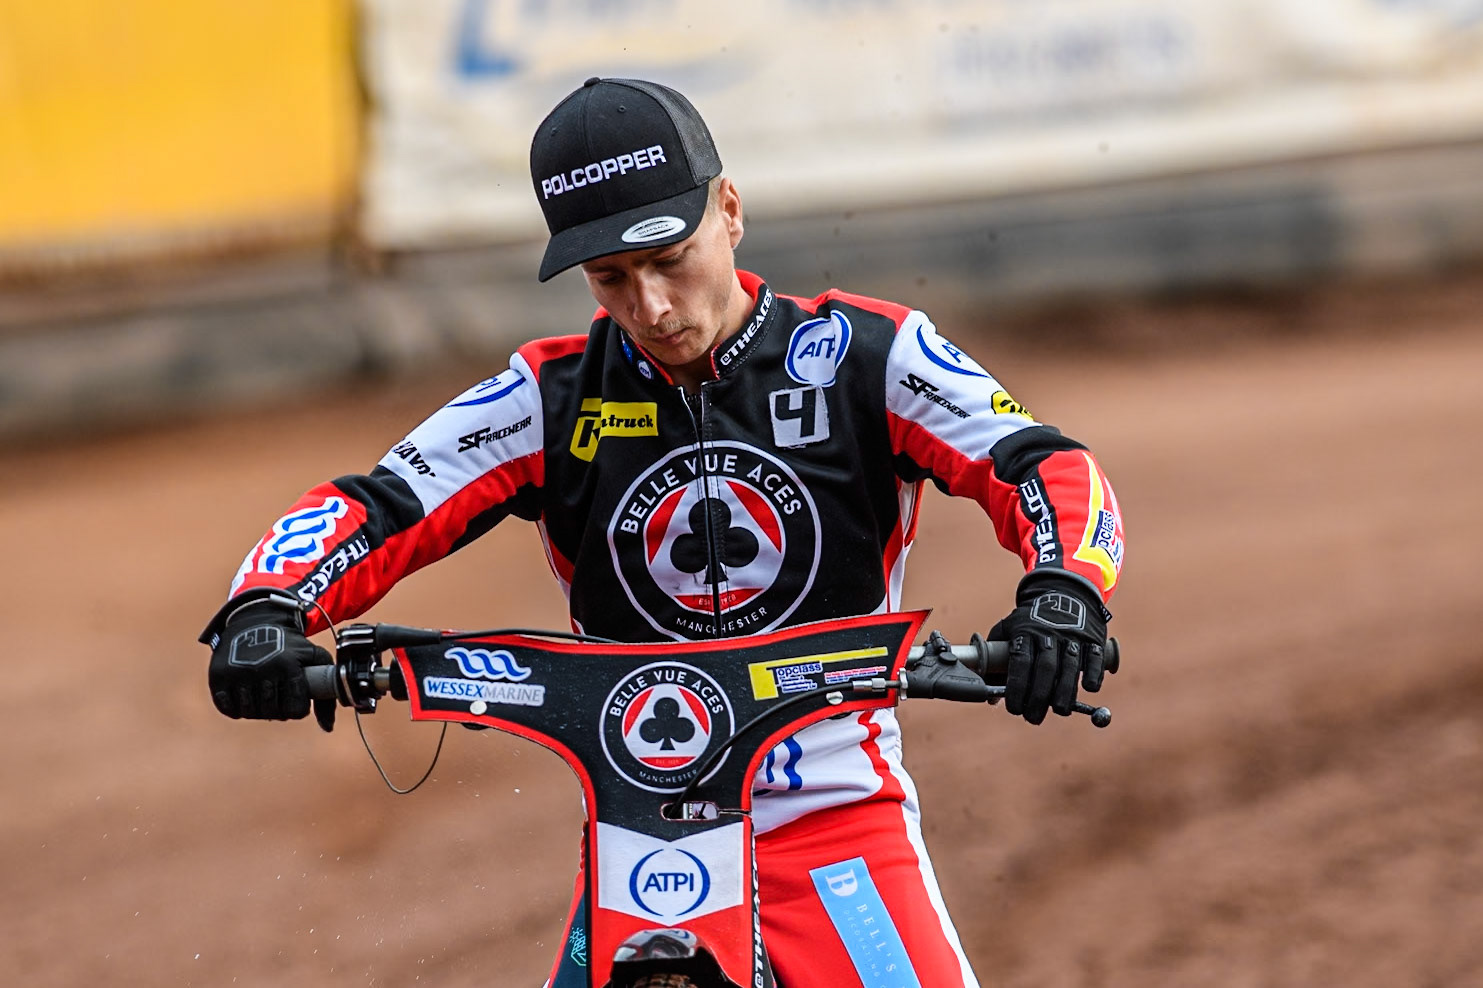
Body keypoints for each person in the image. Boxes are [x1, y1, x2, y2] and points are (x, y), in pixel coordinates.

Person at [202, 77, 1124, 988]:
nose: (650, 309)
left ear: (730, 211)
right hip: (642, 838)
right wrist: (266, 604)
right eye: (610, 278)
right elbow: (384, 503)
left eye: (669, 259)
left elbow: (1038, 461)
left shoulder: (865, 355)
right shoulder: (549, 396)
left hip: (836, 817)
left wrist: (1063, 590)